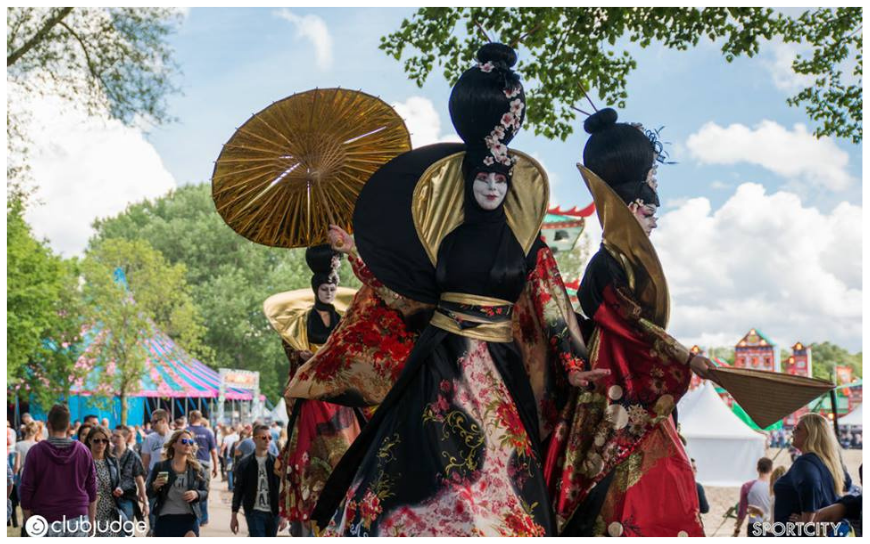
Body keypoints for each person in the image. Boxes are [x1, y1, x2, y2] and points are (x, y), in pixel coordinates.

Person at [286, 43, 606, 537]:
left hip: (502, 366)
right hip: (441, 358)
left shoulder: (526, 242)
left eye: (501, 176)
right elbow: (402, 289)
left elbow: (550, 301)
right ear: (466, 175)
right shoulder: (439, 237)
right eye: (483, 175)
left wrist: (573, 365)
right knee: (429, 466)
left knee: (504, 475)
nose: (492, 186)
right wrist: (354, 250)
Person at [544, 107, 717, 537]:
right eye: (651, 214)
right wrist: (685, 356)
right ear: (635, 207)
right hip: (614, 378)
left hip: (632, 379)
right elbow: (630, 322)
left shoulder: (620, 262)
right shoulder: (606, 265)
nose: (655, 223)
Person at [264, 245, 362, 533]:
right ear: (316, 289)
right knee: (306, 435)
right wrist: (301, 355)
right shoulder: (303, 319)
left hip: (336, 383)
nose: (330, 291)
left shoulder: (344, 318)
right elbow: (290, 345)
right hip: (312, 384)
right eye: (325, 287)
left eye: (333, 287)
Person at [19, 404, 97, 537]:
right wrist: (91, 520)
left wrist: (28, 519)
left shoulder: (36, 452)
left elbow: (26, 489)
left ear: (48, 424)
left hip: (45, 518)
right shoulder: (83, 451)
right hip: (77, 517)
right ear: (68, 426)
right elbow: (92, 488)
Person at [773, 413, 849, 535]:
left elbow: (811, 483)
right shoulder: (832, 462)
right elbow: (847, 489)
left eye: (798, 429)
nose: (793, 431)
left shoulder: (805, 462)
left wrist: (809, 519)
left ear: (812, 435)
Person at [146, 429, 209, 537]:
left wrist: (196, 494)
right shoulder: (161, 466)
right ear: (174, 444)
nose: (188, 444)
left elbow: (205, 492)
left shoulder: (197, 468)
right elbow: (150, 494)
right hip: (165, 518)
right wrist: (155, 487)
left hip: (189, 519)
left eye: (191, 442)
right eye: (184, 441)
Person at [231, 425, 287, 536]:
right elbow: (238, 490)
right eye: (263, 437)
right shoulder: (245, 463)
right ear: (254, 439)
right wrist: (234, 515)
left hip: (274, 513)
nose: (267, 440)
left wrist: (284, 515)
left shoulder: (276, 462)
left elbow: (284, 489)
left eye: (270, 438)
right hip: (254, 512)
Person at [85, 425, 124, 537]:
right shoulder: (84, 462)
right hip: (90, 512)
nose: (100, 443)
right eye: (96, 440)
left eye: (104, 440)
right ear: (89, 441)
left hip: (110, 512)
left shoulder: (113, 461)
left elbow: (118, 482)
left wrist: (119, 489)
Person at [112, 426, 148, 533]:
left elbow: (139, 480)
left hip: (127, 498)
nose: (114, 438)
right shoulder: (108, 455)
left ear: (126, 438)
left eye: (117, 436)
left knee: (126, 531)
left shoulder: (133, 456)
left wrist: (145, 503)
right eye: (113, 435)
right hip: (110, 499)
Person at [141, 409, 171, 533]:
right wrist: (142, 486)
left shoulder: (176, 436)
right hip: (154, 477)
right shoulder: (149, 438)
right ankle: (154, 531)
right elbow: (144, 464)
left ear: (163, 421)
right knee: (153, 513)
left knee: (168, 511)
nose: (151, 424)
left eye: (154, 422)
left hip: (172, 478)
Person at [187, 410, 218, 527]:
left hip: (189, 463)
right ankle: (203, 518)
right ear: (200, 418)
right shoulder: (208, 432)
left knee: (190, 490)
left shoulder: (186, 431)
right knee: (203, 490)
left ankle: (192, 516)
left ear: (192, 417)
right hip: (205, 464)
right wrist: (215, 467)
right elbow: (214, 452)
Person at [734, 457, 773, 536]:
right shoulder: (774, 487)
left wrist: (737, 529)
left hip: (754, 525)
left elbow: (742, 511)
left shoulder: (747, 486)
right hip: (770, 525)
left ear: (757, 469)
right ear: (771, 470)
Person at [222, 425, 240, 490]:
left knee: (229, 472)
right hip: (238, 458)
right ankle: (236, 486)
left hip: (229, 457)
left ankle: (230, 487)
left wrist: (220, 453)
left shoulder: (227, 437)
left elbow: (223, 447)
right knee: (236, 472)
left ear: (231, 430)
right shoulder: (238, 437)